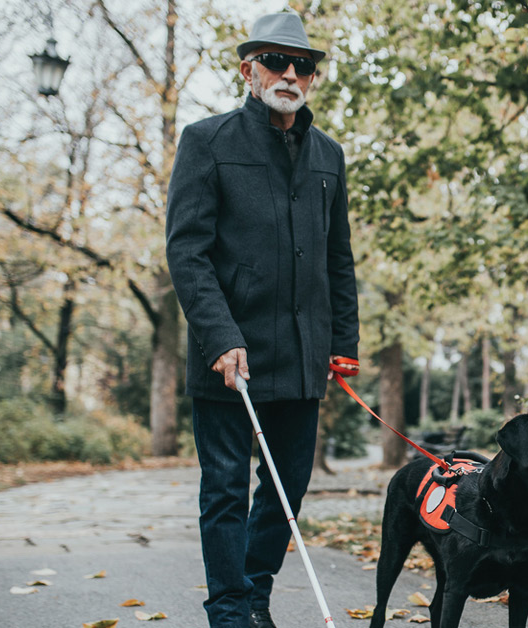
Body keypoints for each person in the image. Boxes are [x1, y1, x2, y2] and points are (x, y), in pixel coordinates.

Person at [164, 12, 359, 628]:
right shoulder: (206, 141)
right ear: (248, 69)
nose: (290, 74)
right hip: (230, 356)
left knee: (286, 490)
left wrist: (342, 345)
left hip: (303, 353)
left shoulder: (330, 155)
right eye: (276, 62)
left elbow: (338, 257)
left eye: (304, 65)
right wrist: (220, 338)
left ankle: (254, 596)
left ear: (314, 79)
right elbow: (187, 252)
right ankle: (228, 611)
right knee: (224, 490)